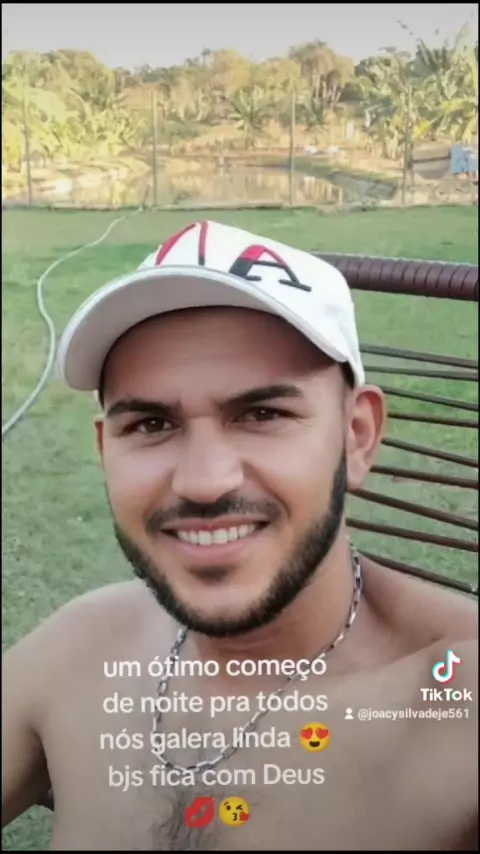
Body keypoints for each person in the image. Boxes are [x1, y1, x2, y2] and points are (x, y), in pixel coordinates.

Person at [2, 220, 478, 851]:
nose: (204, 482)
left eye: (262, 414)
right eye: (151, 424)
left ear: (357, 436)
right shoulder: (78, 647)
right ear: (105, 449)